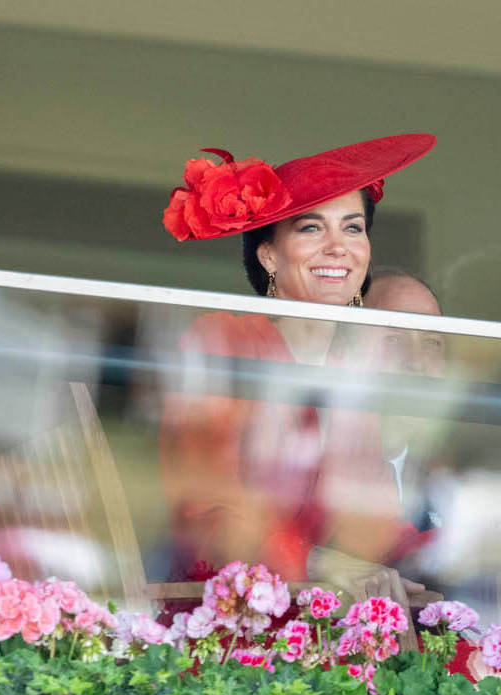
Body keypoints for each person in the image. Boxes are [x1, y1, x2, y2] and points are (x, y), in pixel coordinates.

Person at [157, 135, 436, 598]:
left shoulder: (350, 367)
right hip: (220, 612)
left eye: (353, 228)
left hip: (317, 615)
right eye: (311, 228)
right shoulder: (224, 342)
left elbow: (371, 518)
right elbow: (207, 505)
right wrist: (318, 562)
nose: (338, 247)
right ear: (269, 254)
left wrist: (451, 550)